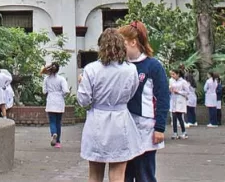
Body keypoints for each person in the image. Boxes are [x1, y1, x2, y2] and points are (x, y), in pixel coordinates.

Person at [78, 28, 141, 182]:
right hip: (121, 120)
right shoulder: (130, 69)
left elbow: (83, 100)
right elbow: (132, 92)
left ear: (101, 47)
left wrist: (82, 83)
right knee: (118, 175)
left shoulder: (91, 69)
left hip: (97, 121)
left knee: (94, 175)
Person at [118, 22, 168, 182]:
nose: (120, 48)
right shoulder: (120, 66)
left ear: (133, 41)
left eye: (123, 43)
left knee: (144, 175)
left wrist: (160, 127)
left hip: (145, 128)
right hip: (123, 126)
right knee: (124, 175)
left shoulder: (153, 66)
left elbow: (163, 98)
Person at [42, 63, 68, 148]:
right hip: (59, 101)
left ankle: (54, 133)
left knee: (52, 120)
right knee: (58, 122)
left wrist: (50, 94)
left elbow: (44, 91)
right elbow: (65, 90)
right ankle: (58, 142)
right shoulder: (61, 79)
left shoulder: (46, 79)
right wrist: (61, 95)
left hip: (50, 100)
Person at [167, 69, 188, 140]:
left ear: (178, 74)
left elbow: (187, 92)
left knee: (179, 117)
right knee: (174, 117)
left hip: (180, 100)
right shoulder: (171, 80)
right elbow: (170, 88)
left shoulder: (183, 82)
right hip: (173, 100)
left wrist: (179, 92)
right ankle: (175, 133)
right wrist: (170, 89)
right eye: (171, 74)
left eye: (174, 74)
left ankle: (184, 132)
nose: (172, 76)